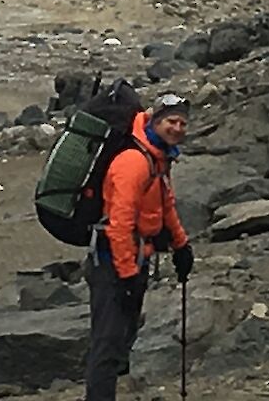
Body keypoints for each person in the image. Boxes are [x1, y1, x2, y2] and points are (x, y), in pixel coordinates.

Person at [85, 92, 193, 401]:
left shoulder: (157, 157)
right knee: (107, 345)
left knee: (119, 343)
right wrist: (127, 275)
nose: (177, 128)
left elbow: (164, 205)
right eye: (172, 121)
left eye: (183, 124)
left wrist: (181, 245)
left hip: (134, 259)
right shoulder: (134, 161)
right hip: (112, 263)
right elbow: (119, 224)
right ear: (156, 121)